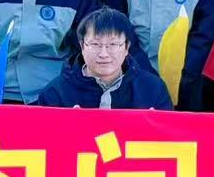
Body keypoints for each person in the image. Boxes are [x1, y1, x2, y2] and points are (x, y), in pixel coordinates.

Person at [33, 8, 175, 109]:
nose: (104, 54)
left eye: (113, 44)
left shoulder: (153, 89)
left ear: (126, 47)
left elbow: (168, 137)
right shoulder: (55, 93)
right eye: (95, 44)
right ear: (82, 46)